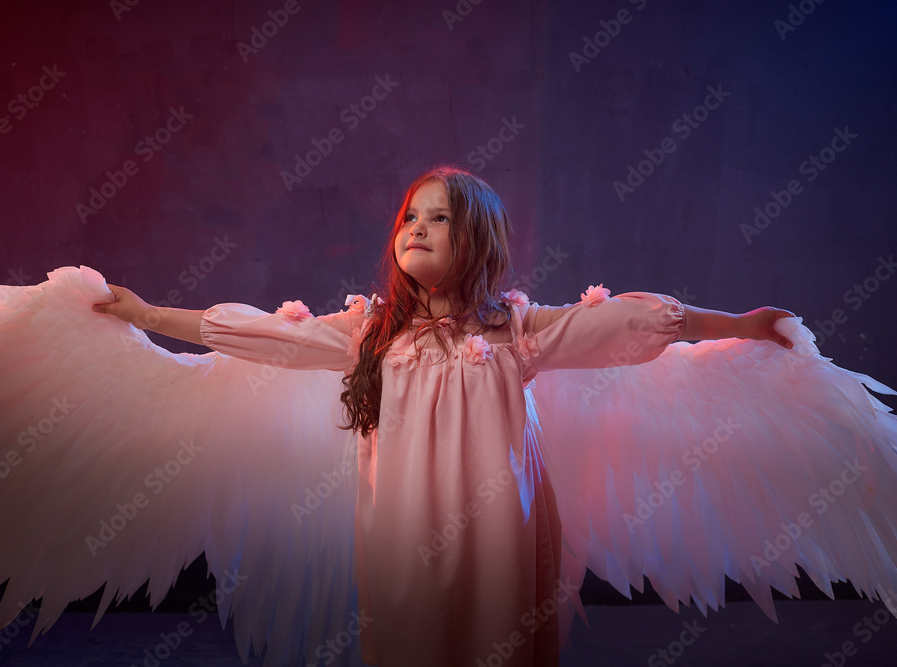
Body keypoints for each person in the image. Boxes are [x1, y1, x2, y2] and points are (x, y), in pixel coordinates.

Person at [90, 165, 805, 667]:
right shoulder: (370, 332)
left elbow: (631, 321)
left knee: (496, 634)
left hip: (500, 529)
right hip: (404, 530)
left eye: (441, 218)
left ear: (479, 242)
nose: (418, 227)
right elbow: (260, 334)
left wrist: (740, 325)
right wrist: (149, 314)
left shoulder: (516, 330)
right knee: (411, 637)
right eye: (411, 216)